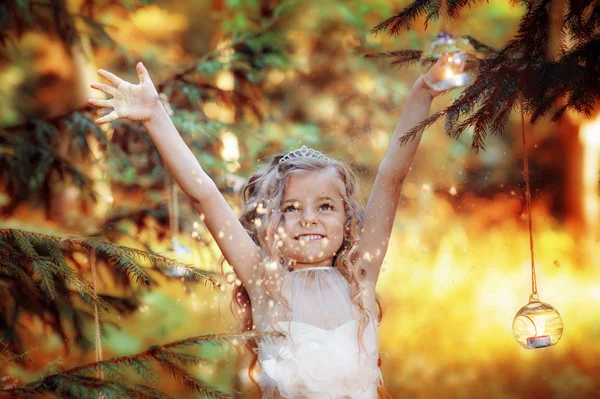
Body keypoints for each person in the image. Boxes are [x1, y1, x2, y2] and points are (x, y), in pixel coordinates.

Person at [89, 60, 443, 398]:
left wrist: (423, 90)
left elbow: (391, 177)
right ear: (272, 221)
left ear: (348, 217)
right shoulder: (265, 281)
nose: (309, 219)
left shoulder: (360, 276)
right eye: (291, 208)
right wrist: (155, 117)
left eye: (325, 206)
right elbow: (205, 196)